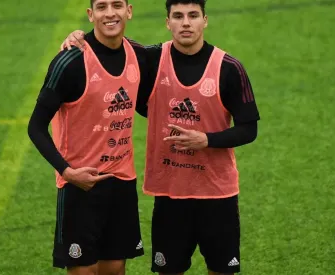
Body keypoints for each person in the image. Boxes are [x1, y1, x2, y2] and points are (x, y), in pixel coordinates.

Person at [60, 1, 260, 274]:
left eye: (193, 16)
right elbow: (109, 39)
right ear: (168, 22)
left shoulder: (230, 68)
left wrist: (206, 140)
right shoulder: (151, 60)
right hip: (170, 195)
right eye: (178, 16)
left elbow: (249, 129)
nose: (186, 23)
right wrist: (79, 36)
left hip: (217, 194)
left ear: (205, 20)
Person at [27, 0, 151, 274]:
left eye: (117, 5)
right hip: (80, 185)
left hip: (121, 180)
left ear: (128, 10)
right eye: (102, 6)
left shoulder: (139, 54)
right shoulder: (70, 62)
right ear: (90, 14)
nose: (110, 13)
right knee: (84, 271)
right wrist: (68, 173)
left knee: (116, 268)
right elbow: (35, 127)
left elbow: (177, 55)